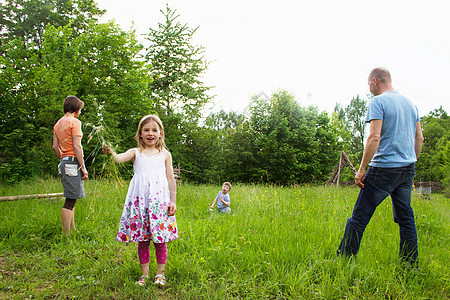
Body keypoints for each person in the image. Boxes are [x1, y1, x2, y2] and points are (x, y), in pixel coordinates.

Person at [337, 67, 424, 267]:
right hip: (406, 169)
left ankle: (344, 260)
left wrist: (361, 169)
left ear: (375, 81)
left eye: (368, 84)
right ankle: (410, 265)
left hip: (383, 169)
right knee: (406, 219)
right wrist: (411, 161)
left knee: (359, 217)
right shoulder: (411, 104)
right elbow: (419, 138)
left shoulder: (378, 102)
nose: (369, 89)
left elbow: (374, 137)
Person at [103, 114, 178, 286]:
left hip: (159, 204)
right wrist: (110, 152)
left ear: (161, 133)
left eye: (154, 130)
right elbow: (118, 158)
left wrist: (173, 201)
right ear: (140, 134)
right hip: (140, 203)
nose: (150, 133)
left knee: (160, 240)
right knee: (142, 240)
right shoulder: (135, 153)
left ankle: (160, 273)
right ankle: (145, 275)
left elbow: (170, 178)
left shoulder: (165, 154)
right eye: (146, 130)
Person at [53, 95, 88, 235]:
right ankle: (65, 233)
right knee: (70, 200)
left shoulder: (57, 124)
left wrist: (63, 157)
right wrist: (83, 168)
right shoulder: (75, 122)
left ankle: (73, 228)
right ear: (76, 108)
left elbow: (55, 147)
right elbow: (77, 146)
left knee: (72, 196)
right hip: (73, 162)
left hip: (64, 162)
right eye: (80, 109)